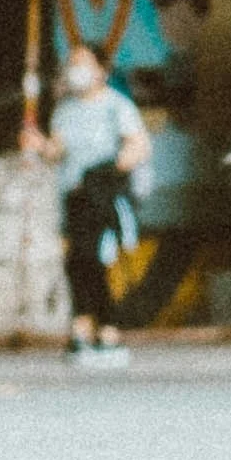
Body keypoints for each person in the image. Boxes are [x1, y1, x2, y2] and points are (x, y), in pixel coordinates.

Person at [39, 34, 149, 367]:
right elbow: (56, 150)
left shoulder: (117, 105)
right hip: (74, 196)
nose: (75, 70)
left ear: (101, 70)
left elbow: (138, 145)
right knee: (78, 262)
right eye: (72, 64)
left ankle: (105, 328)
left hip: (104, 195)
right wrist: (39, 145)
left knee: (90, 258)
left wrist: (109, 170)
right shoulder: (65, 109)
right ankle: (89, 327)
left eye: (83, 64)